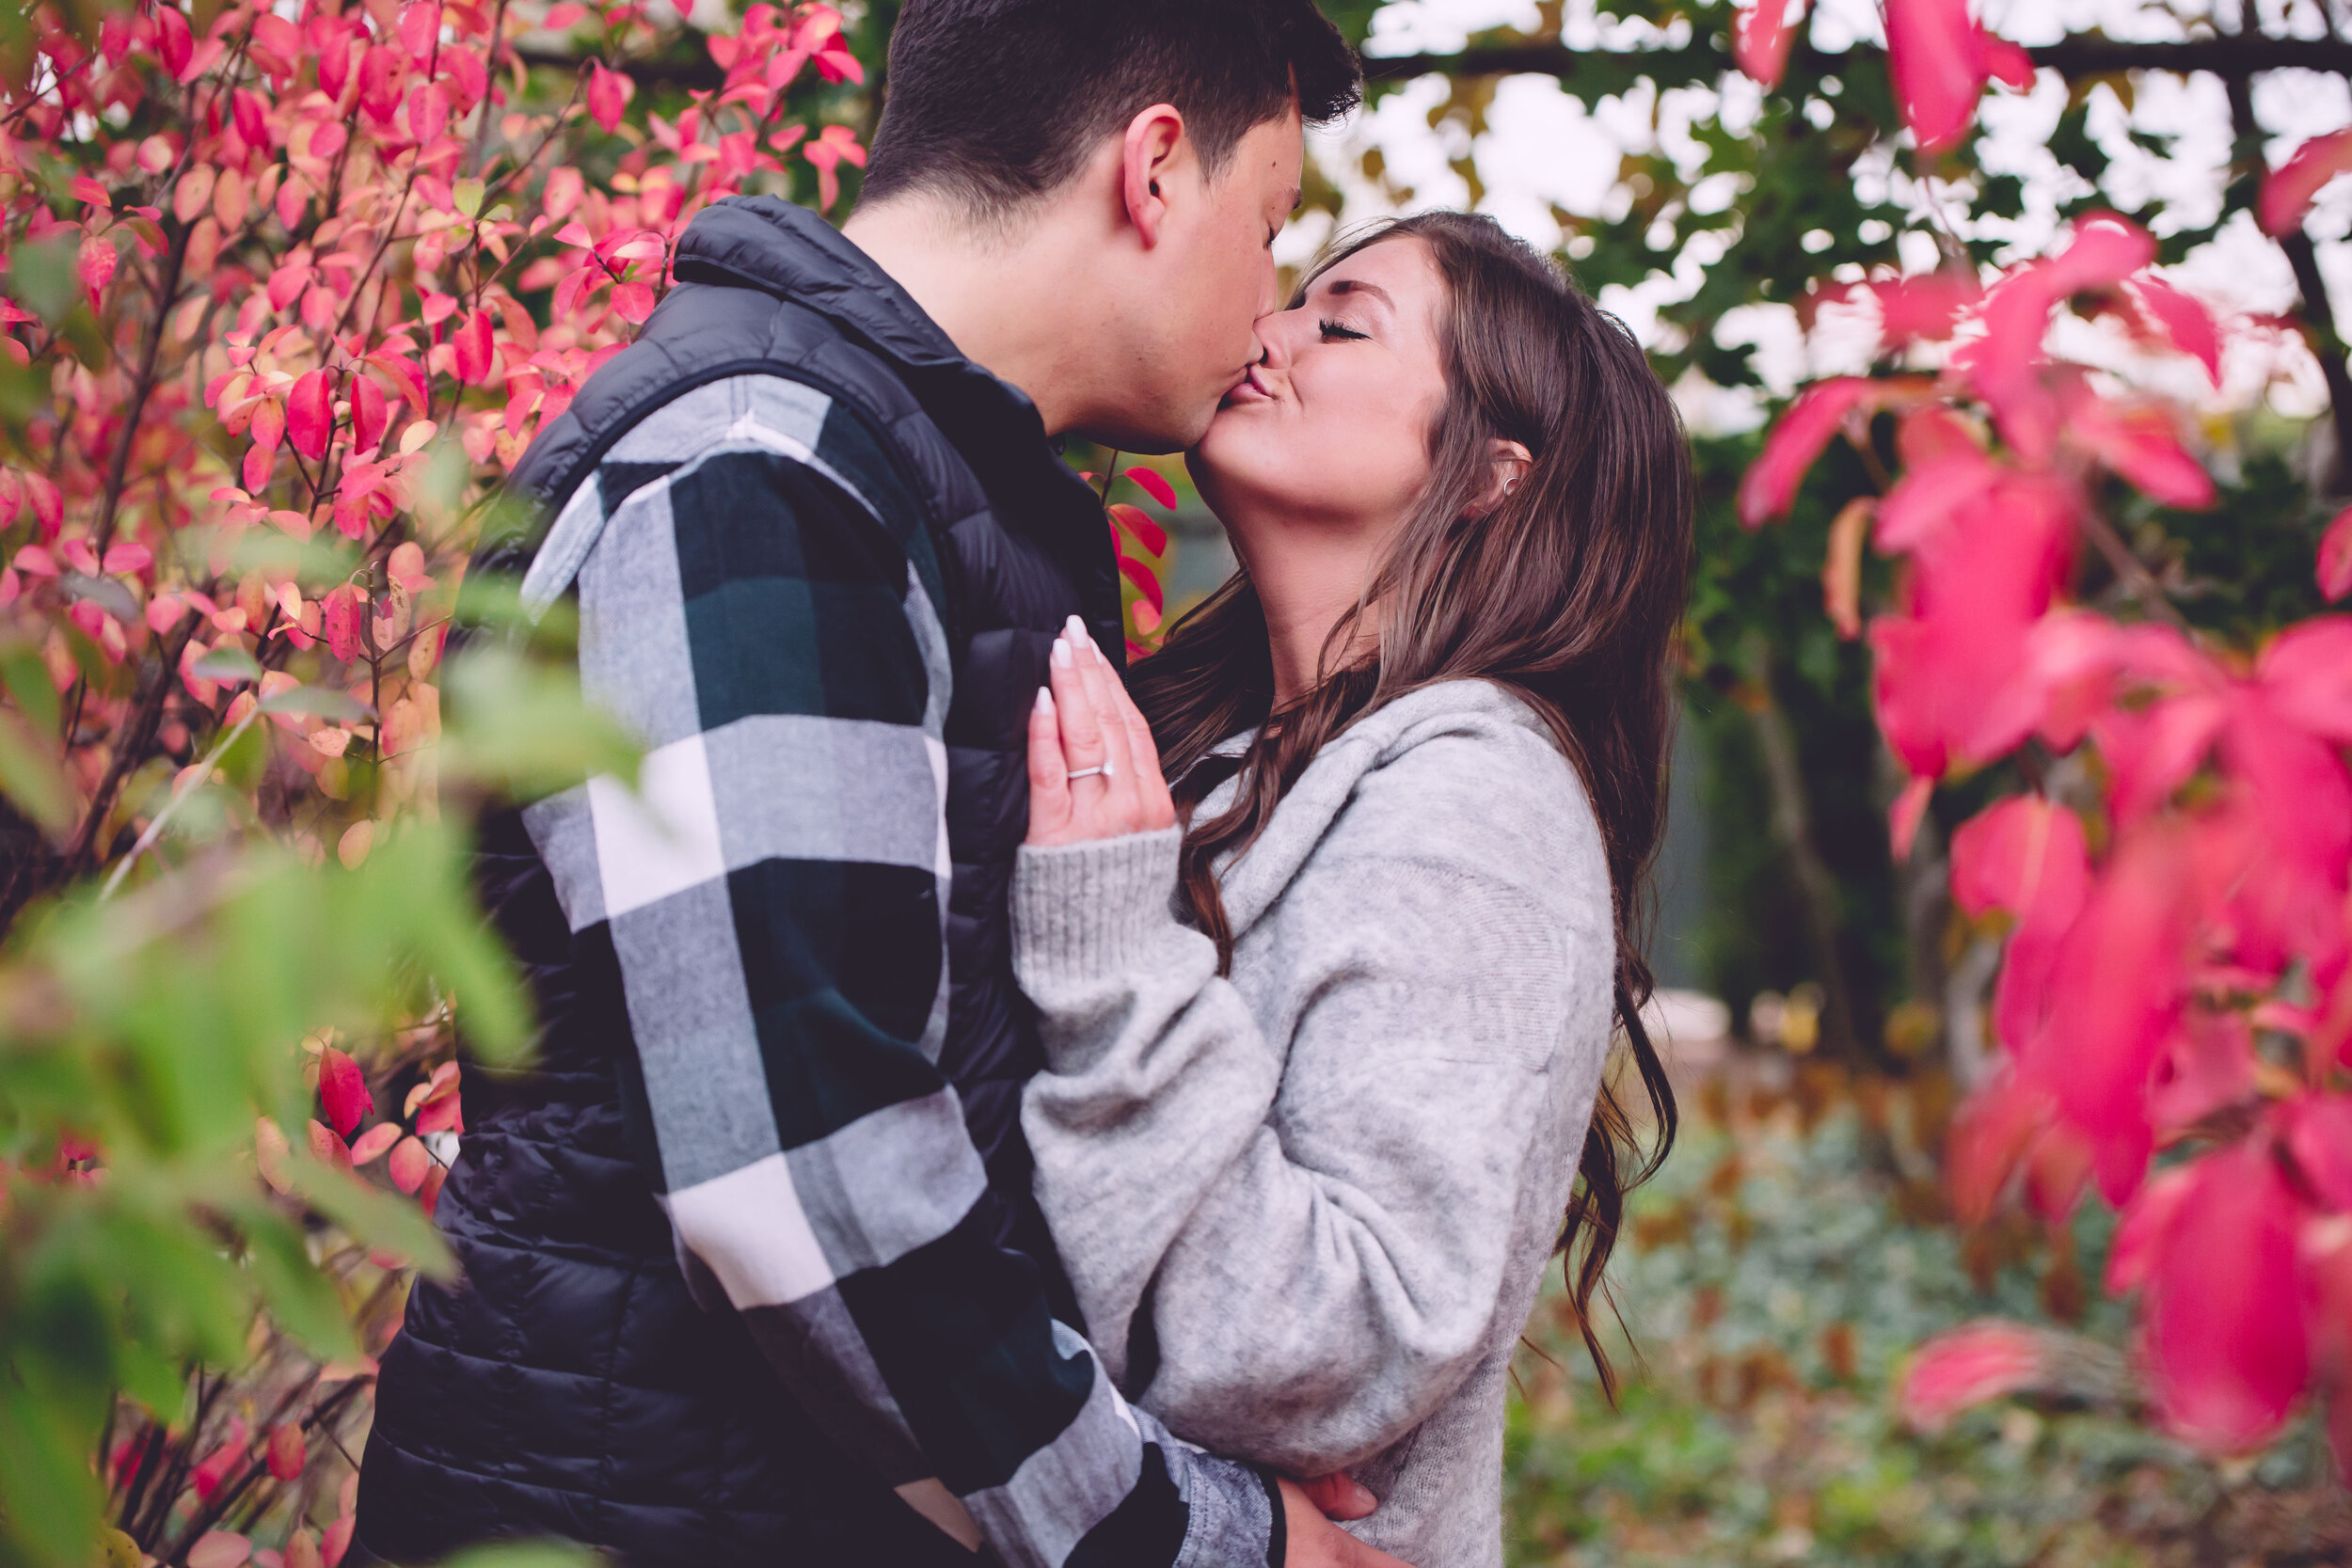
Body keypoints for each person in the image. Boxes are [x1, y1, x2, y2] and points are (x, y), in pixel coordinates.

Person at [356, 4, 1406, 1566]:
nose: (1268, 313)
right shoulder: (758, 477)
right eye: (1268, 231)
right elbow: (805, 1176)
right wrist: (1195, 1541)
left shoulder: (903, 481)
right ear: (1156, 175)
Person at [1011, 213, 1692, 1567]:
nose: (1265, 332)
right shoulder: (1219, 755)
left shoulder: (1478, 805)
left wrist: (1106, 955)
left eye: (1340, 321)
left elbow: (1333, 1351)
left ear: (1489, 474)